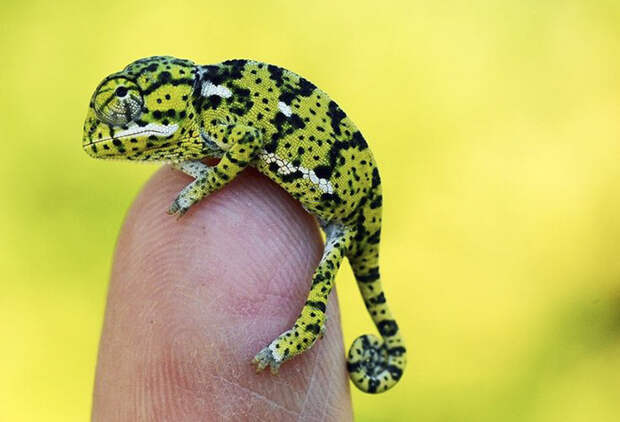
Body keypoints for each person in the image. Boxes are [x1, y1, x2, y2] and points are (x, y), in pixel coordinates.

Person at [92, 166, 353, 421]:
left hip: (347, 206)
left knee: (321, 274)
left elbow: (248, 141)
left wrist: (208, 183)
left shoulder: (212, 125)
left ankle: (307, 330)